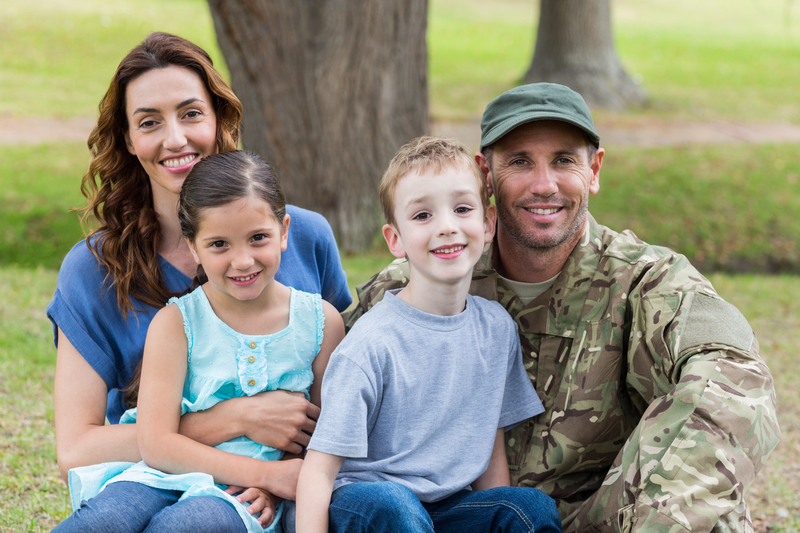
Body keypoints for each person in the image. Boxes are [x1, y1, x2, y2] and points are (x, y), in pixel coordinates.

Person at [343, 84, 781, 532]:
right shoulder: (417, 285)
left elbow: (735, 387)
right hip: (455, 519)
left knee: (715, 509)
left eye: (564, 160)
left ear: (593, 170)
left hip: (607, 520)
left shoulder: (646, 281)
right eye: (519, 161)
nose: (544, 185)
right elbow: (317, 374)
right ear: (485, 175)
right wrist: (265, 418)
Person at [47, 33, 351, 530]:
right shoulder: (92, 269)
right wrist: (238, 419)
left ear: (219, 118)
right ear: (127, 139)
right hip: (141, 480)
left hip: (255, 502)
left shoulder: (304, 237)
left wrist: (278, 479)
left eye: (191, 113)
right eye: (149, 122)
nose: (175, 139)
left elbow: (337, 406)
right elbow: (76, 450)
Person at [296, 136, 562, 533]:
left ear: (487, 223)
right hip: (366, 503)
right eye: (423, 216)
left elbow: (489, 451)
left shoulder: (496, 329)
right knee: (397, 508)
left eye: (462, 209)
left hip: (447, 508)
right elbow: (318, 471)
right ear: (395, 240)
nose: (447, 227)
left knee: (527, 509)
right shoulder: (372, 343)